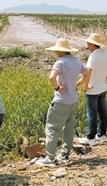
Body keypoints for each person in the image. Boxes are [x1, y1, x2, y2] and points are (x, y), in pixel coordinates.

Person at [36, 38, 90, 167]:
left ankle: (50, 158)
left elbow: (52, 77)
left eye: (57, 51)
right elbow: (87, 74)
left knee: (52, 128)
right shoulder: (77, 62)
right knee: (69, 128)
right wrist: (78, 84)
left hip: (61, 101)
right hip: (73, 100)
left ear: (61, 51)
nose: (55, 53)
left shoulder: (60, 63)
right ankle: (65, 155)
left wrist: (57, 88)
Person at [76, 33, 107, 146]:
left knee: (92, 114)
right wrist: (105, 77)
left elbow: (88, 73)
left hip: (92, 90)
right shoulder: (104, 54)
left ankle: (91, 138)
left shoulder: (93, 56)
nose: (87, 45)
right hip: (102, 88)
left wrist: (83, 85)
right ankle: (102, 135)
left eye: (88, 43)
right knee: (102, 113)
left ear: (92, 44)